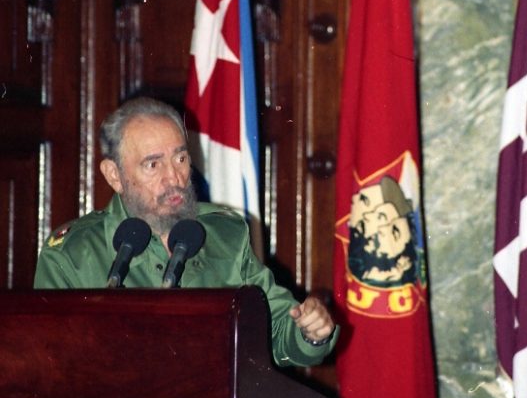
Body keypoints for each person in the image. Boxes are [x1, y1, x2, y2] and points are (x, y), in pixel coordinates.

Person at [34, 97, 338, 368]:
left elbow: (275, 327)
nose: (174, 178)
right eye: (153, 165)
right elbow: (50, 366)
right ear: (115, 175)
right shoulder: (72, 255)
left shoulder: (225, 234)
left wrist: (309, 333)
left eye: (180, 158)